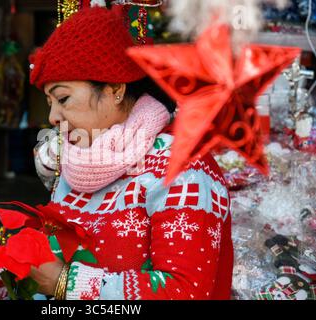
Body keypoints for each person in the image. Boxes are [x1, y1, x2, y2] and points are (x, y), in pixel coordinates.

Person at [28, 6, 233, 300]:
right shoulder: (76, 158)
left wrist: (66, 284)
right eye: (50, 102)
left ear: (115, 89)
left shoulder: (182, 169)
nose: (53, 116)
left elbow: (186, 290)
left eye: (63, 98)